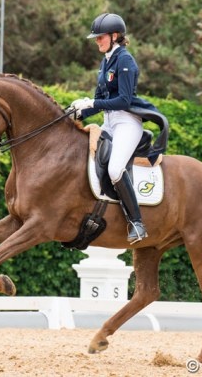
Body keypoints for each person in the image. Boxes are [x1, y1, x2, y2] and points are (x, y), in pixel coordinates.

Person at [70, 13, 163, 244]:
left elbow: (123, 100)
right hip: (110, 121)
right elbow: (99, 100)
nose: (96, 41)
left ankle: (137, 223)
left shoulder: (125, 60)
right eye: (96, 37)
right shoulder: (106, 61)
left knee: (114, 169)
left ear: (115, 36)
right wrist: (77, 112)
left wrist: (93, 103)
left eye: (100, 37)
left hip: (127, 122)